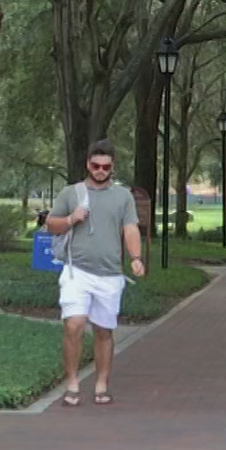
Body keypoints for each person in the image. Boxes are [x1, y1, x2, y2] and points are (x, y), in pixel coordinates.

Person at [45, 141, 145, 407]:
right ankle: (73, 383)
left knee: (103, 331)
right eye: (95, 165)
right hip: (76, 271)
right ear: (88, 164)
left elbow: (131, 228)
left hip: (110, 274)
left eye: (106, 167)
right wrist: (70, 219)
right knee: (73, 325)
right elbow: (51, 225)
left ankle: (101, 383)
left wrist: (136, 258)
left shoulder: (122, 196)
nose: (100, 170)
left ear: (112, 167)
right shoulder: (71, 193)